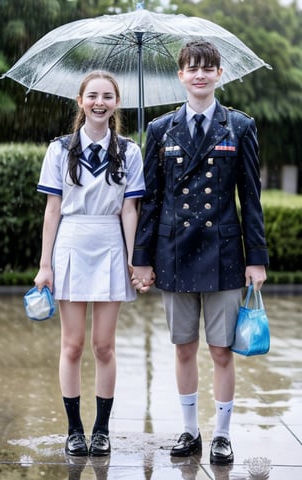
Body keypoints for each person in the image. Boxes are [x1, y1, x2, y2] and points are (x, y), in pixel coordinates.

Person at [131, 41, 269, 465]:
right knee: (184, 347)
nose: (200, 75)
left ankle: (222, 435)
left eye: (208, 68)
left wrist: (256, 258)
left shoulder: (239, 127)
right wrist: (142, 257)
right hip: (174, 252)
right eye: (192, 68)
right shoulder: (159, 130)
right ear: (181, 75)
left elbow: (251, 196)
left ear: (219, 74)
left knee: (221, 350)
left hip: (225, 253)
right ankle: (190, 430)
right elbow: (150, 201)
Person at [34, 70, 145, 457]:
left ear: (117, 103)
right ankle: (74, 428)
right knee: (73, 344)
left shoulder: (130, 151)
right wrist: (45, 265)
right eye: (93, 95)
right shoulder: (60, 150)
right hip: (71, 244)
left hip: (111, 246)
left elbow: (130, 210)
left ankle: (101, 429)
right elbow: (52, 210)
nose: (100, 102)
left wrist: (135, 260)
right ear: (80, 101)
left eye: (108, 96)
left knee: (104, 346)